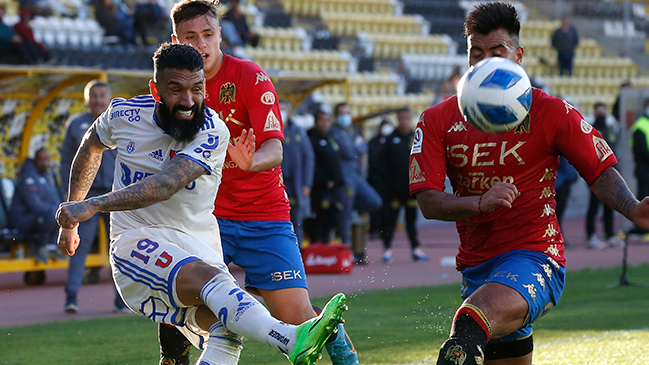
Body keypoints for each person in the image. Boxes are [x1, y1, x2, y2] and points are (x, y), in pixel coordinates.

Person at [56, 42, 346, 365]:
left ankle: (290, 339)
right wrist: (75, 208)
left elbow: (166, 184)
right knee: (211, 282)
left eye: (197, 88)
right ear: (155, 90)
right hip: (134, 242)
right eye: (176, 89)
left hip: (196, 247)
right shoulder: (124, 114)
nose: (188, 100)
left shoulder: (212, 131)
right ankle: (290, 339)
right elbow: (91, 145)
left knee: (226, 333)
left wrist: (93, 205)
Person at [409, 3, 649, 365]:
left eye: (497, 52)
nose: (485, 62)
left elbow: (597, 169)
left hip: (537, 257)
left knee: (469, 326)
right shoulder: (436, 120)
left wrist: (632, 209)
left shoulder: (551, 111)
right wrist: (479, 203)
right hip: (478, 268)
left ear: (518, 56)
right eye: (477, 53)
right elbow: (427, 201)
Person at [167, 2, 358, 365]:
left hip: (262, 214)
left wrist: (250, 161)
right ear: (176, 40)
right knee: (183, 294)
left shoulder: (250, 77)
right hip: (204, 218)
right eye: (191, 37)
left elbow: (275, 147)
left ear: (220, 35)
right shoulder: (170, 87)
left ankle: (337, 342)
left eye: (208, 35)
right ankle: (174, 356)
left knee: (295, 318)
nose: (201, 44)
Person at [60, 80, 129, 313]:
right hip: (84, 198)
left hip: (114, 196)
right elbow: (66, 163)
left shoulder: (119, 123)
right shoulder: (75, 125)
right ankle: (71, 299)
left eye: (102, 95)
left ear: (109, 98)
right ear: (86, 99)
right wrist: (69, 197)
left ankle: (121, 302)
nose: (98, 100)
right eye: (94, 95)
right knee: (77, 246)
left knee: (118, 248)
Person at [330, 103, 382, 246]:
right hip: (344, 177)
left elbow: (363, 147)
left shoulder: (352, 130)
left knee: (375, 201)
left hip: (356, 176)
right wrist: (356, 147)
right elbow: (348, 151)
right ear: (336, 115)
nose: (345, 116)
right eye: (341, 113)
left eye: (347, 113)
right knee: (345, 216)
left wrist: (355, 147)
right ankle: (347, 245)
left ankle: (345, 208)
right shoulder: (334, 131)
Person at [380, 107, 427, 263]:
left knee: (411, 220)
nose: (404, 121)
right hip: (394, 189)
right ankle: (387, 250)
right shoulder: (390, 139)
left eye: (406, 118)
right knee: (391, 219)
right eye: (401, 118)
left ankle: (415, 248)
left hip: (411, 188)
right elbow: (383, 165)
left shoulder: (416, 137)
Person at [10, 148, 63, 263]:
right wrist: (55, 211)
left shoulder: (46, 176)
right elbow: (35, 206)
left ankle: (50, 247)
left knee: (63, 213)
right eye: (42, 160)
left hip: (40, 217)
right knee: (52, 214)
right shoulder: (27, 178)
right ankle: (38, 246)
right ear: (35, 160)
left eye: (47, 159)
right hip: (22, 219)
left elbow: (55, 200)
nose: (45, 163)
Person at [585, 102, 623, 249]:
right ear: (594, 113)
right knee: (593, 206)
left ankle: (609, 235)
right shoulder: (589, 130)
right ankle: (591, 236)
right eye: (599, 112)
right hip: (595, 174)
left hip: (610, 173)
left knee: (609, 205)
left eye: (603, 112)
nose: (601, 115)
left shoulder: (610, 129)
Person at [280, 99, 315, 247]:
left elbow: (309, 158)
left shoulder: (298, 132)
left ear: (289, 111)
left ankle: (299, 252)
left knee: (297, 220)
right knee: (279, 220)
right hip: (277, 183)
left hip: (296, 183)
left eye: (284, 109)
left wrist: (307, 183)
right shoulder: (269, 130)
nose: (281, 112)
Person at [308, 110, 345, 244]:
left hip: (334, 187)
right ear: (316, 122)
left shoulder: (330, 137)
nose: (325, 124)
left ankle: (327, 247)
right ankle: (317, 247)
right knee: (319, 219)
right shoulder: (311, 138)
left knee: (332, 218)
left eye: (327, 120)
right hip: (320, 188)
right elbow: (311, 163)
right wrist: (324, 181)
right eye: (322, 120)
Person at [367, 119, 394, 240]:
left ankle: (386, 230)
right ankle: (374, 228)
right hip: (375, 178)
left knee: (388, 207)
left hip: (390, 180)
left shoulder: (393, 142)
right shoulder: (373, 142)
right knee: (376, 206)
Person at [630, 98, 649, 235]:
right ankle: (642, 228)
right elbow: (640, 150)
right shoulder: (640, 125)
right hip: (644, 169)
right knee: (644, 197)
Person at [553, 156, 577, 248]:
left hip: (561, 180)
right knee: (556, 214)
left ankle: (558, 239)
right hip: (560, 181)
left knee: (557, 214)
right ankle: (557, 240)